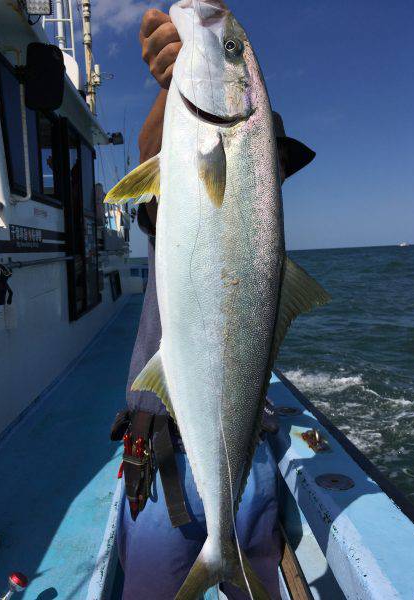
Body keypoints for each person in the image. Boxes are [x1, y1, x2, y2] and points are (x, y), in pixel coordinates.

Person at [113, 8, 315, 599]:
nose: (267, 166)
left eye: (272, 158)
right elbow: (162, 159)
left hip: (243, 457)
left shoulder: (261, 230)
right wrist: (169, 85)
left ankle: (222, 552)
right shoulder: (176, 186)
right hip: (160, 452)